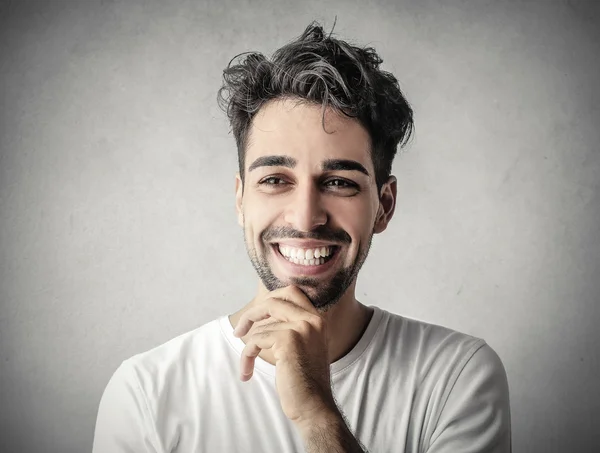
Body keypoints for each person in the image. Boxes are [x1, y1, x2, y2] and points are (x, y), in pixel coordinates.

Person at [92, 21, 511, 453]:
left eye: (340, 182)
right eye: (275, 179)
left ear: (384, 205)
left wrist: (316, 415)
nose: (307, 216)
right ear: (240, 201)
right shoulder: (146, 394)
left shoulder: (457, 376)